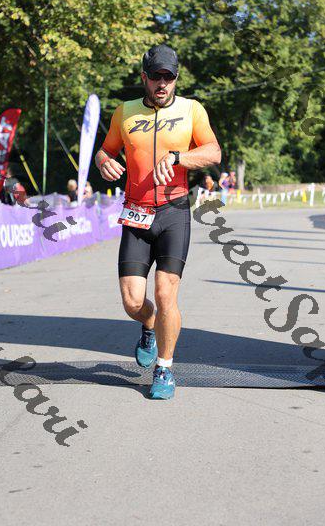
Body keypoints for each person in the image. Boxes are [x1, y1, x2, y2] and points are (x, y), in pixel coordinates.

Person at [94, 43, 221, 400]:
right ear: (144, 78)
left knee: (165, 293)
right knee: (132, 302)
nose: (162, 84)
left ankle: (164, 368)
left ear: (176, 78)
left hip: (173, 212)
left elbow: (213, 151)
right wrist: (103, 162)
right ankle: (149, 325)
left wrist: (180, 157)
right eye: (156, 77)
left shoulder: (192, 110)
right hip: (136, 214)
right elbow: (106, 150)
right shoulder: (125, 112)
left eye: (169, 77)